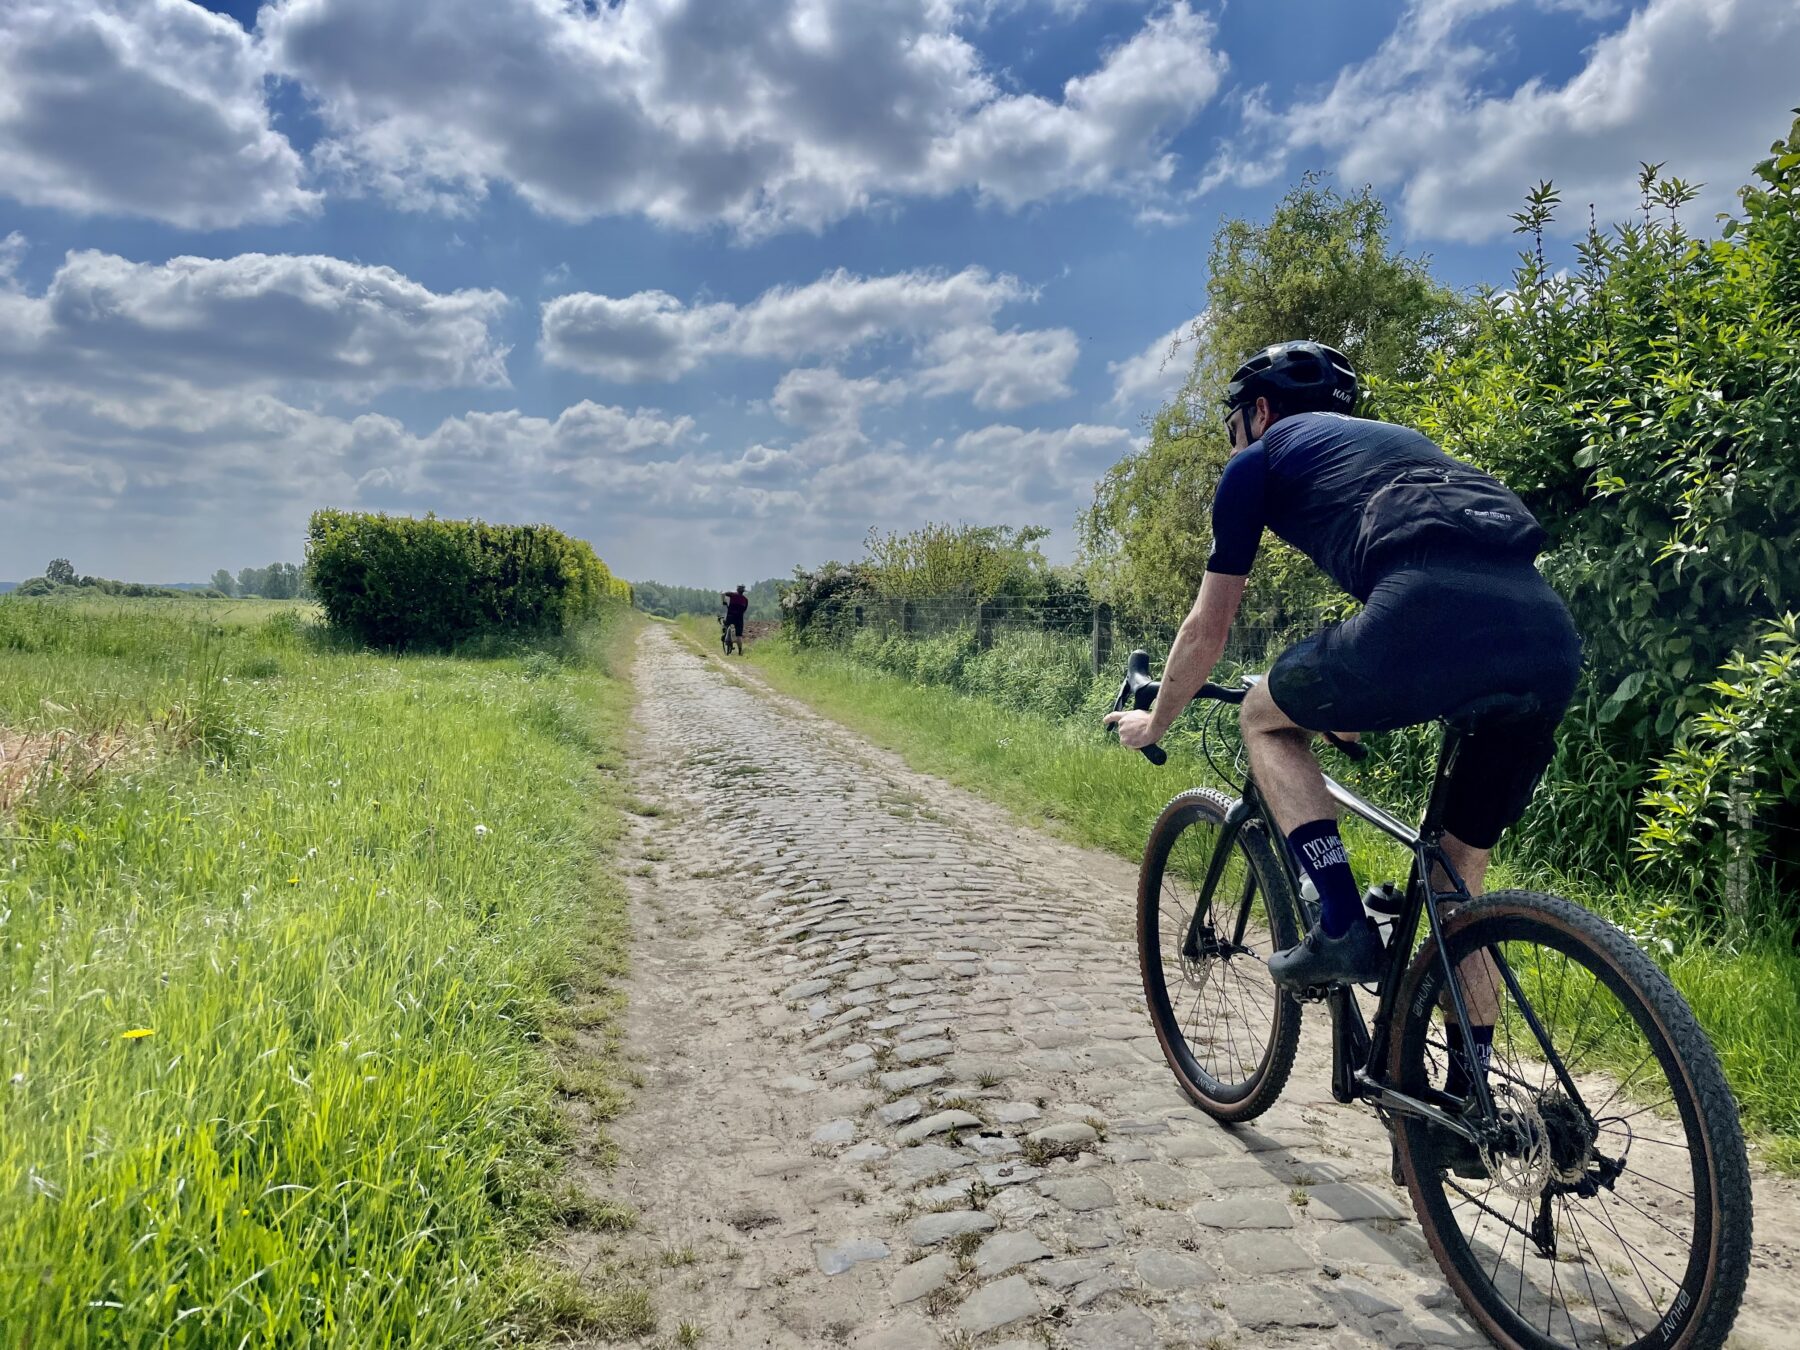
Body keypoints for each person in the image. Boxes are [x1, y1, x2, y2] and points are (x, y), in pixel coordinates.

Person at [1104, 340, 1580, 1099]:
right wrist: (1347, 706)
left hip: (1422, 609)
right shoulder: (1402, 450)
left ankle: (1340, 925)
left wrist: (1154, 721)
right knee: (1456, 885)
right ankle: (1469, 1099)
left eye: (1235, 422)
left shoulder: (1256, 462)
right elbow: (1428, 572)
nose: (1235, 437)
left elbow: (1208, 628)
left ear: (1258, 412)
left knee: (1263, 717)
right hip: (1547, 635)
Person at [721, 584, 749, 654]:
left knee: (726, 625)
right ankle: (740, 651)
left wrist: (723, 602)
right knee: (739, 635)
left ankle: (725, 636)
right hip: (739, 618)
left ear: (737, 590)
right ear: (743, 591)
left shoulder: (732, 595)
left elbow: (722, 593)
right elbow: (744, 610)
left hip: (730, 616)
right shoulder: (745, 600)